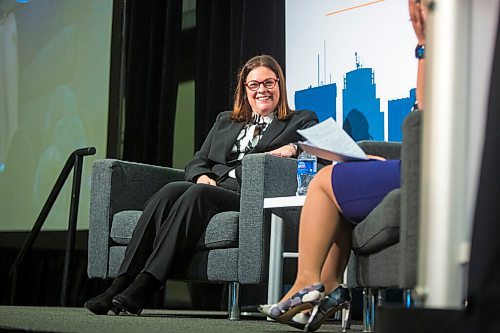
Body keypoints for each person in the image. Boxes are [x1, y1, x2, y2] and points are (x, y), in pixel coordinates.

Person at [84, 54, 319, 315]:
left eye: (268, 83)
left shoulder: (300, 119)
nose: (261, 90)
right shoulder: (227, 121)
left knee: (197, 195)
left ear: (279, 85)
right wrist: (201, 176)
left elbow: (323, 148)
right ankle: (121, 283)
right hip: (211, 186)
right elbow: (199, 159)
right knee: (170, 190)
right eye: (254, 85)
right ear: (245, 89)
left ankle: (148, 283)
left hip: (248, 196)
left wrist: (294, 147)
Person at [258, 1, 427, 331]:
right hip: (421, 164)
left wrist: (424, 44)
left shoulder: (441, 50)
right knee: (341, 195)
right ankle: (333, 287)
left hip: (430, 171)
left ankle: (307, 283)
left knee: (324, 180)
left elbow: (427, 119)